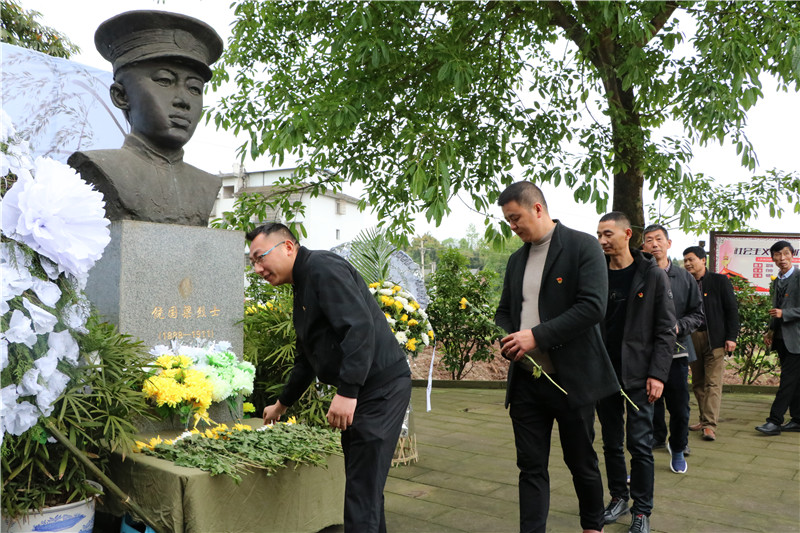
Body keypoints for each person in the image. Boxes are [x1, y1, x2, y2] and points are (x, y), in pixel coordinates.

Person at [250, 223, 412, 532]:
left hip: (380, 389)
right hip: (364, 389)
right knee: (365, 487)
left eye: (260, 257)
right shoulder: (302, 283)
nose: (258, 268)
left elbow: (359, 327)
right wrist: (282, 405)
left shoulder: (322, 267)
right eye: (252, 262)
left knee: (361, 493)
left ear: (287, 247)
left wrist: (348, 392)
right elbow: (306, 358)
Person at [494, 182, 618, 533]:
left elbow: (593, 307)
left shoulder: (582, 247)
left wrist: (536, 335)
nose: (513, 227)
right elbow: (505, 310)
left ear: (537, 209)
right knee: (530, 466)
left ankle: (592, 525)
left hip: (571, 380)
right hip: (526, 383)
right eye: (507, 221)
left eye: (515, 218)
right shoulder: (517, 259)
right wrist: (506, 334)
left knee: (581, 461)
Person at [69, 10, 223, 226]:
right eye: (164, 81)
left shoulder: (207, 184)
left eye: (194, 89)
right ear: (121, 96)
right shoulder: (100, 166)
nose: (183, 101)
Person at [595, 212, 675, 533]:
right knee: (611, 443)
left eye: (608, 234)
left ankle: (642, 510)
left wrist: (658, 374)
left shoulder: (652, 274)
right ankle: (618, 497)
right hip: (604, 373)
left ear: (627, 234)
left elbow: (666, 329)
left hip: (641, 376)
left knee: (639, 444)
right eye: (599, 234)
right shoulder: (595, 273)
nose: (602, 240)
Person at [641, 225, 703, 475]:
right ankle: (646, 449)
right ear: (642, 246)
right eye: (648, 240)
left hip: (676, 351)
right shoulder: (638, 274)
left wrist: (679, 327)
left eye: (658, 239)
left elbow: (697, 314)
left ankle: (677, 447)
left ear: (669, 243)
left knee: (679, 406)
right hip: (643, 352)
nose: (654, 244)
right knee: (645, 405)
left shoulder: (684, 278)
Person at [682, 246, 739, 441]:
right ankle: (703, 419)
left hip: (715, 337)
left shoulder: (719, 281)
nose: (688, 263)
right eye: (685, 260)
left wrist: (732, 337)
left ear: (703, 260)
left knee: (713, 382)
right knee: (698, 382)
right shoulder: (685, 282)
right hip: (691, 337)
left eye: (691, 259)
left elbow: (731, 310)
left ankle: (710, 426)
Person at [756, 241, 800, 435]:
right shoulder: (778, 279)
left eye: (786, 254)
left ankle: (774, 421)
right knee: (795, 381)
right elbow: (776, 310)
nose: (782, 259)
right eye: (777, 255)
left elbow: (782, 311)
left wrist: (786, 314)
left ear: (793, 254)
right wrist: (771, 331)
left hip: (797, 339)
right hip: (782, 338)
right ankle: (798, 419)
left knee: (788, 380)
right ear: (772, 257)